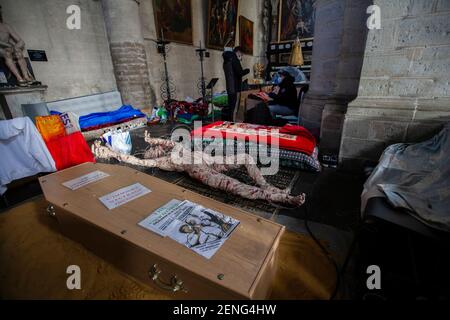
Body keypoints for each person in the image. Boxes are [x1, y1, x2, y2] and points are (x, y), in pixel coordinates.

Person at [222, 46, 250, 121]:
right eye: (241, 54)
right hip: (235, 87)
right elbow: (239, 72)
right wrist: (247, 70)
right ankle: (233, 122)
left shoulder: (226, 60)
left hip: (229, 86)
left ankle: (229, 121)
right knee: (234, 107)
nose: (241, 56)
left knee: (231, 105)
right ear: (238, 52)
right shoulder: (234, 59)